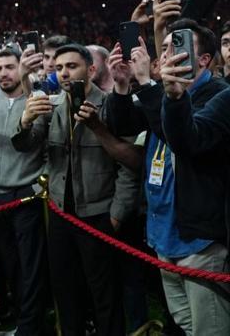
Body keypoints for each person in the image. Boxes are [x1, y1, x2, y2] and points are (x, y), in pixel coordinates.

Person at [107, 21, 230, 336]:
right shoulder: (162, 92)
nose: (165, 55)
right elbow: (123, 124)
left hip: (199, 238)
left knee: (211, 328)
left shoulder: (218, 95)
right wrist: (121, 85)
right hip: (164, 232)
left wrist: (150, 85)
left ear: (203, 59)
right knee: (186, 324)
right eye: (162, 48)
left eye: (177, 47)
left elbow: (184, 140)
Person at [12, 44, 139, 336]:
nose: (64, 73)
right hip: (60, 214)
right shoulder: (52, 105)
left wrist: (116, 216)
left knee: (105, 295)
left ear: (91, 70)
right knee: (66, 292)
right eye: (59, 68)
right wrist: (25, 121)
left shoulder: (112, 105)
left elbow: (129, 166)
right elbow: (27, 146)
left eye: (72, 66)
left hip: (99, 215)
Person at [0, 48, 48, 336]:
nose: (3, 73)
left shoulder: (36, 99)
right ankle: (22, 320)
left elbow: (34, 142)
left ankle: (32, 327)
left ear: (22, 67)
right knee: (9, 263)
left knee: (31, 266)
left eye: (9, 67)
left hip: (25, 194)